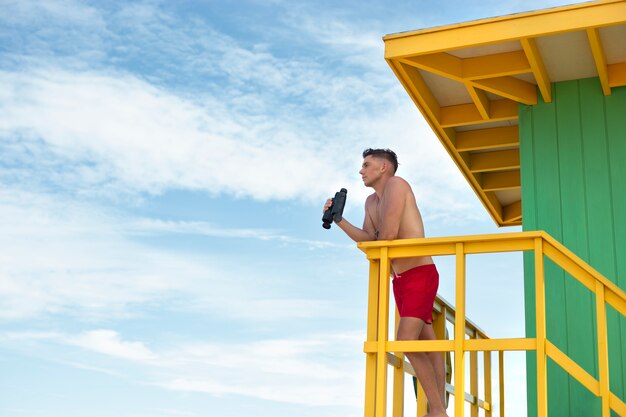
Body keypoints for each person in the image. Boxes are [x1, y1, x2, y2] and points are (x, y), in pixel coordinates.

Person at [324, 148, 448, 417]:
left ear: (383, 168)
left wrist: (379, 239)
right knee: (427, 341)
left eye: (366, 165)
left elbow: (388, 235)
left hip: (420, 274)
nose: (361, 170)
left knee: (405, 341)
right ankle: (441, 408)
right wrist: (339, 219)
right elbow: (369, 239)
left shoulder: (397, 185)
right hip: (400, 280)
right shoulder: (371, 202)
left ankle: (438, 410)